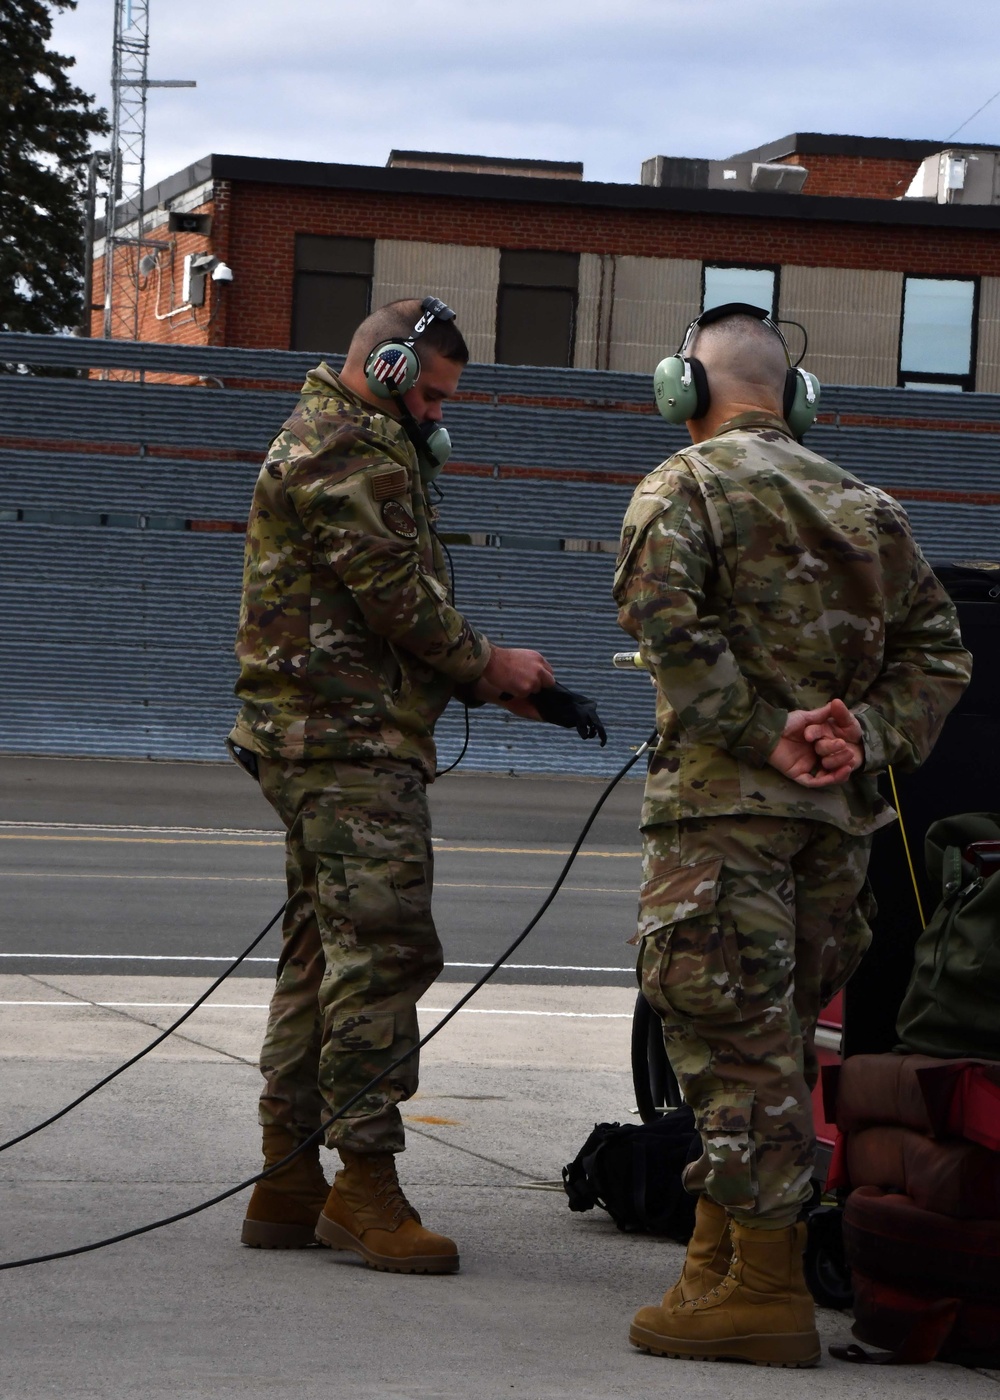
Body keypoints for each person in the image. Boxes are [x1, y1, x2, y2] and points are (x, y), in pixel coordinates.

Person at [613, 307, 972, 1365]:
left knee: (727, 1046)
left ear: (684, 389)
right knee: (772, 1044)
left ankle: (759, 1288)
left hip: (723, 819)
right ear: (795, 399)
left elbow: (663, 622)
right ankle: (718, 1258)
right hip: (833, 832)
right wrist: (857, 737)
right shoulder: (870, 507)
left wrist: (762, 733)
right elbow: (940, 654)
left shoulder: (681, 487)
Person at [228, 297, 555, 1275]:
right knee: (383, 950)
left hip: (325, 735)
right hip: (347, 744)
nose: (438, 419)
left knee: (321, 952)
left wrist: (483, 675)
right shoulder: (353, 446)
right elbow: (396, 595)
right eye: (434, 397)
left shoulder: (337, 436)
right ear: (389, 371)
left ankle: (287, 1178)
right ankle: (363, 1183)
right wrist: (488, 663)